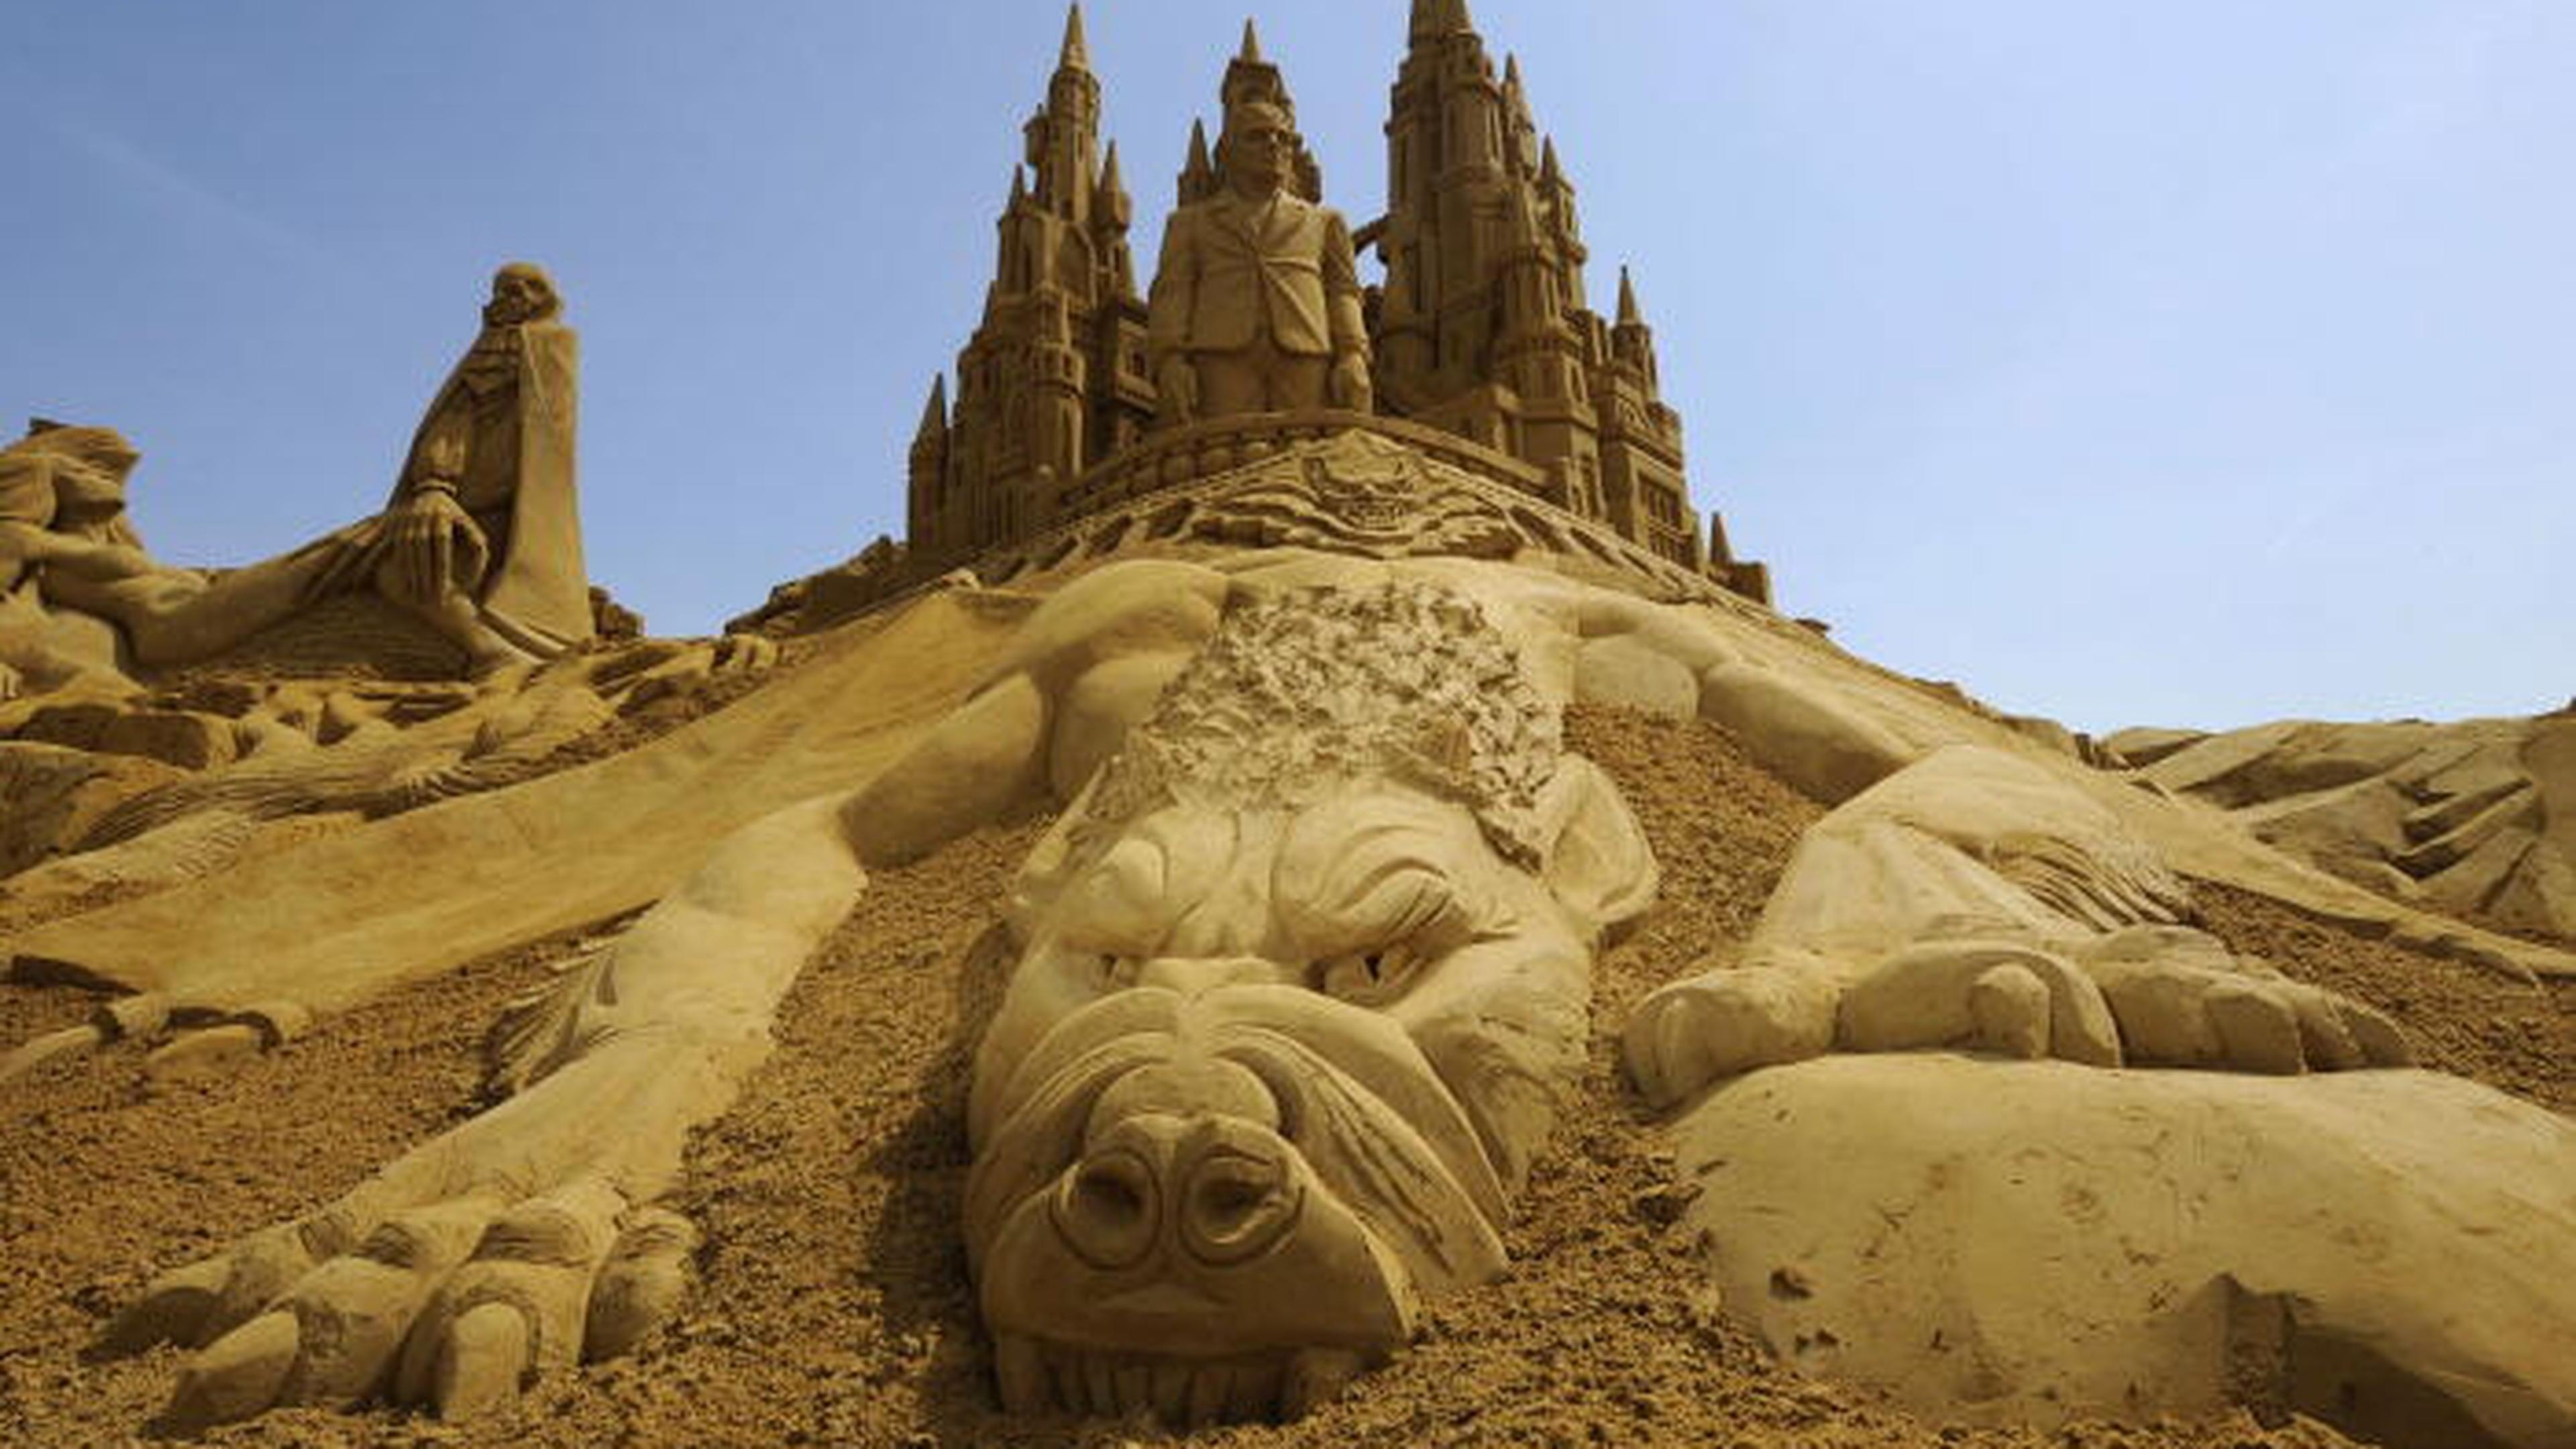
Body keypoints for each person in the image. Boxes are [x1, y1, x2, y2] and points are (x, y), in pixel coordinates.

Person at [313, 262, 593, 672]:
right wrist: (435, 487)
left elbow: (541, 447)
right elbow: (452, 423)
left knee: (390, 562)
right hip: (445, 505)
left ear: (545, 300)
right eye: (501, 290)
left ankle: (494, 652)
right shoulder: (479, 357)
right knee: (381, 560)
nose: (507, 299)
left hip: (501, 519)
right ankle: (488, 650)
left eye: (523, 291)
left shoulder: (552, 345)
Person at [1146, 99, 1372, 423]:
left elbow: (1343, 292)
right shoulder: (1189, 223)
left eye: (1283, 137)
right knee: (1226, 456)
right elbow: (1172, 291)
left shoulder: (1325, 222)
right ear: (1228, 152)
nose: (1273, 144)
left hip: (1306, 352)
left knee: (1310, 452)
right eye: (1258, 135)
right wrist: (1169, 359)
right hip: (1221, 354)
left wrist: (1352, 353)